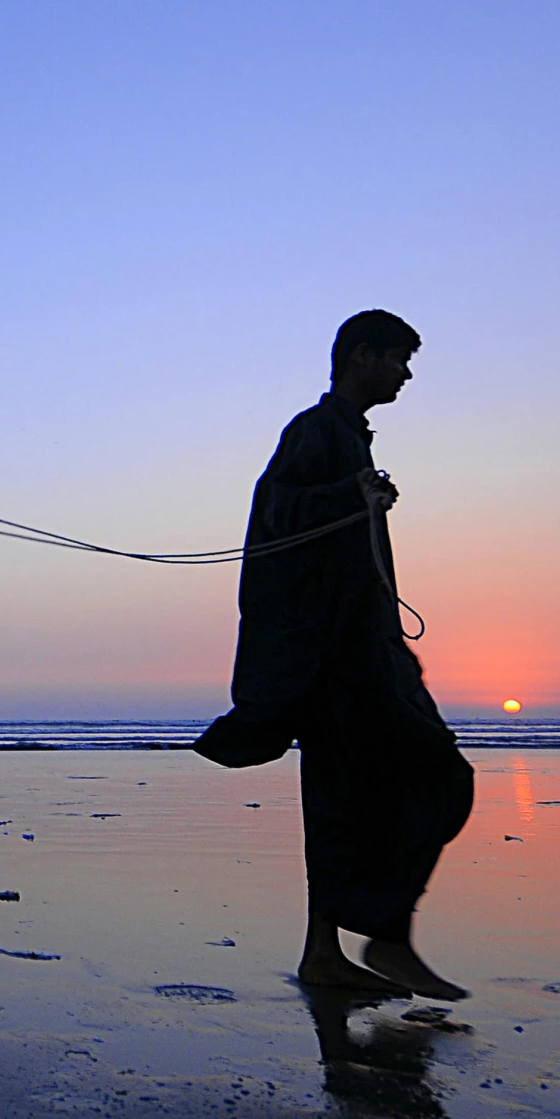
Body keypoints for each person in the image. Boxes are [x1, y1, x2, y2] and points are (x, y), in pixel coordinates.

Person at [194, 310, 474, 1000]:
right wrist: (350, 495)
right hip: (334, 655)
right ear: (360, 357)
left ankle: (346, 945)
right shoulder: (314, 432)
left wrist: (360, 495)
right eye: (397, 360)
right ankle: (369, 940)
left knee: (359, 795)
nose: (405, 374)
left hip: (363, 646)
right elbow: (275, 513)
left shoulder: (349, 438)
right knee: (432, 776)